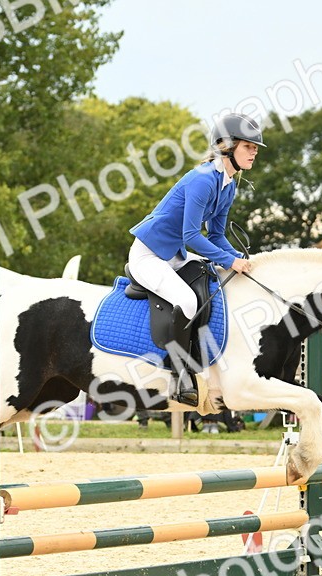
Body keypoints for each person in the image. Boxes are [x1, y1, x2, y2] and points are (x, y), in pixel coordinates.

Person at [128, 113, 264, 405]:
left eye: (255, 147)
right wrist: (229, 261)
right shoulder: (203, 180)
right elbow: (191, 235)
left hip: (174, 255)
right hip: (149, 254)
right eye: (248, 146)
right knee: (188, 301)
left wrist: (242, 260)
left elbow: (215, 236)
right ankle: (179, 376)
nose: (254, 151)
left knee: (214, 285)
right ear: (227, 146)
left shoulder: (228, 185)